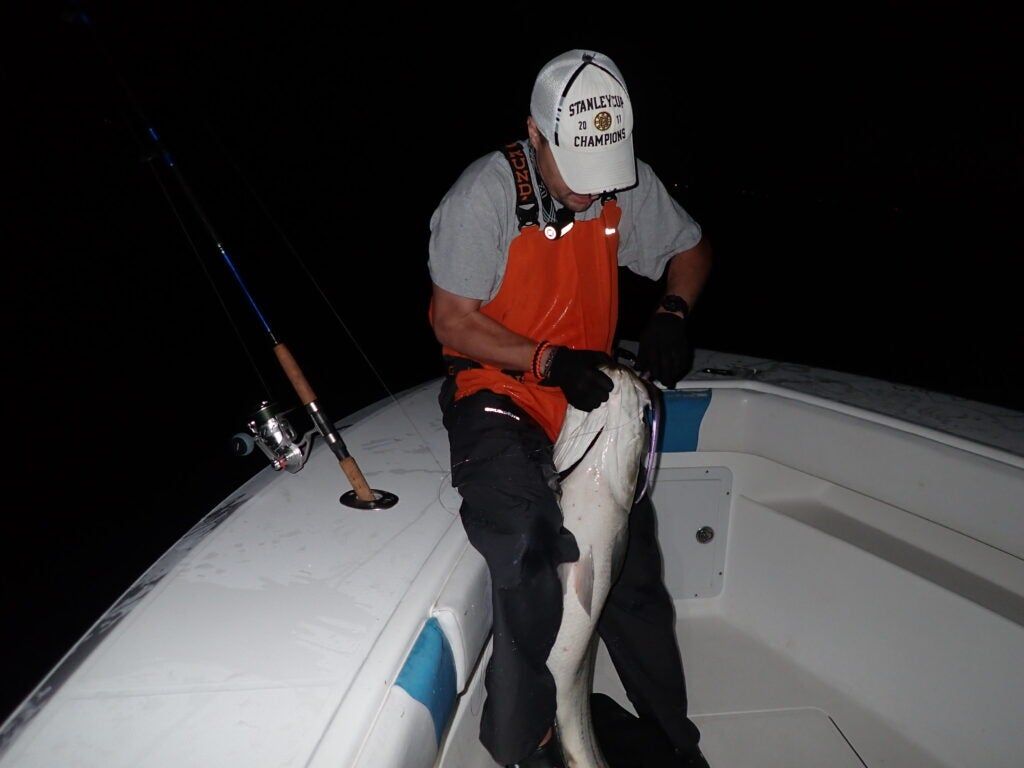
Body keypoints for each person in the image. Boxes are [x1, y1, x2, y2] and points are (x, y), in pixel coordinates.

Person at [428, 49, 712, 768]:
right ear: (536, 132)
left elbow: (692, 249)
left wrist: (674, 309)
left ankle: (675, 744)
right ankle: (528, 743)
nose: (593, 196)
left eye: (605, 177)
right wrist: (547, 361)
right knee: (524, 544)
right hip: (500, 388)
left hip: (591, 395)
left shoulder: (623, 181)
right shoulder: (483, 196)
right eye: (578, 179)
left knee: (633, 574)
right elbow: (451, 320)